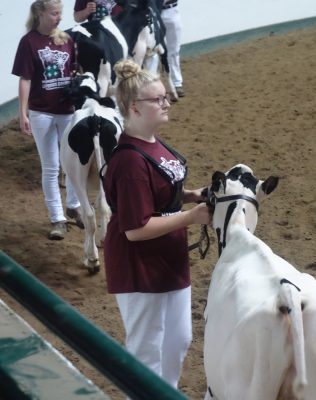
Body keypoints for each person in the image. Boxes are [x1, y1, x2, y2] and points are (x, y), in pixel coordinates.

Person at [102, 59, 211, 388]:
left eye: (165, 97)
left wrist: (192, 195)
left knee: (177, 341)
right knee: (147, 350)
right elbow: (136, 229)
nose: (167, 103)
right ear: (135, 107)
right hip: (140, 266)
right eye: (158, 99)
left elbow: (162, 194)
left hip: (169, 258)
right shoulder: (130, 161)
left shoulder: (153, 143)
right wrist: (191, 217)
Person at [12, 0, 83, 240]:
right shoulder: (29, 42)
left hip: (67, 109)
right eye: (54, 13)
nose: (59, 17)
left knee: (72, 162)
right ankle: (57, 219)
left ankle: (74, 205)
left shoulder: (67, 39)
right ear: (40, 14)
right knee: (51, 166)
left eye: (60, 13)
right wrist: (23, 112)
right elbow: (25, 79)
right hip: (41, 111)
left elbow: (75, 71)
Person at [159, 0, 185, 100]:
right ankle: (155, 87)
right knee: (152, 52)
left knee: (174, 50)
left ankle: (177, 83)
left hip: (172, 10)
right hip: (154, 11)